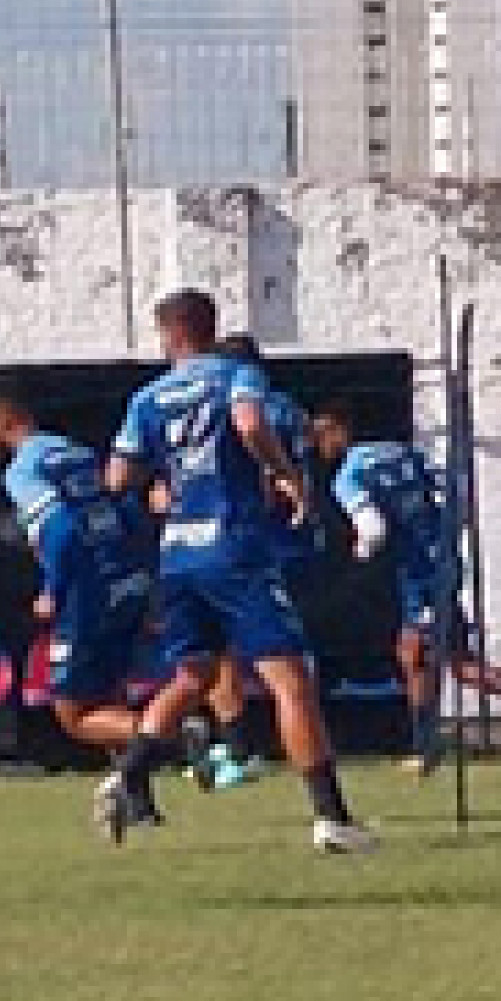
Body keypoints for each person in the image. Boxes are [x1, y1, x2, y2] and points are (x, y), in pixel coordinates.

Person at [102, 290, 376, 856]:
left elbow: (118, 476)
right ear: (209, 327)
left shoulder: (148, 397)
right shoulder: (236, 375)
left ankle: (129, 773)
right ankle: (332, 819)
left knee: (196, 675)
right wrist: (285, 475)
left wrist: (163, 486)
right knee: (289, 681)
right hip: (235, 548)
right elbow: (250, 425)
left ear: (170, 335)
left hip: (178, 553)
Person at [310, 404, 501, 769]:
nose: (318, 448)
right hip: (441, 560)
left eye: (320, 437)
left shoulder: (348, 476)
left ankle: (427, 744)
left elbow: (373, 530)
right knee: (446, 662)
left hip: (419, 571)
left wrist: (360, 553)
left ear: (338, 431)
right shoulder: (404, 452)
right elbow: (454, 493)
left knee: (416, 654)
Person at [0, 379, 164, 807]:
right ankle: (139, 801)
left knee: (75, 715)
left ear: (3, 421)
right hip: (123, 581)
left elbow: (60, 530)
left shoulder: (24, 469)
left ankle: (173, 733)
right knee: (109, 696)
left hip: (85, 589)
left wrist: (53, 589)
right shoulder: (76, 452)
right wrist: (143, 580)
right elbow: (128, 511)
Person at [197, 332, 325, 793]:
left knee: (224, 652)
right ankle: (292, 744)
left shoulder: (242, 407)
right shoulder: (292, 409)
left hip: (255, 545)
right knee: (286, 660)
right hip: (299, 544)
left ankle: (239, 750)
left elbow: (251, 466)